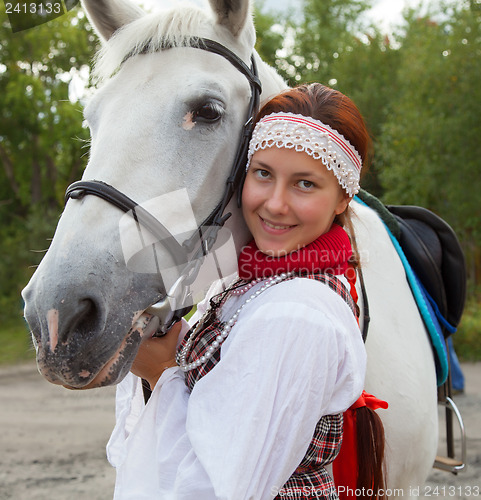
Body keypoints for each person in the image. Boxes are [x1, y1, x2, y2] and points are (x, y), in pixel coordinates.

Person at [106, 83, 386, 499]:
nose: (274, 203)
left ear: (343, 197)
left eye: (305, 184)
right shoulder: (249, 279)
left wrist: (162, 372)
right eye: (264, 174)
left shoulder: (298, 313)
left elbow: (219, 488)